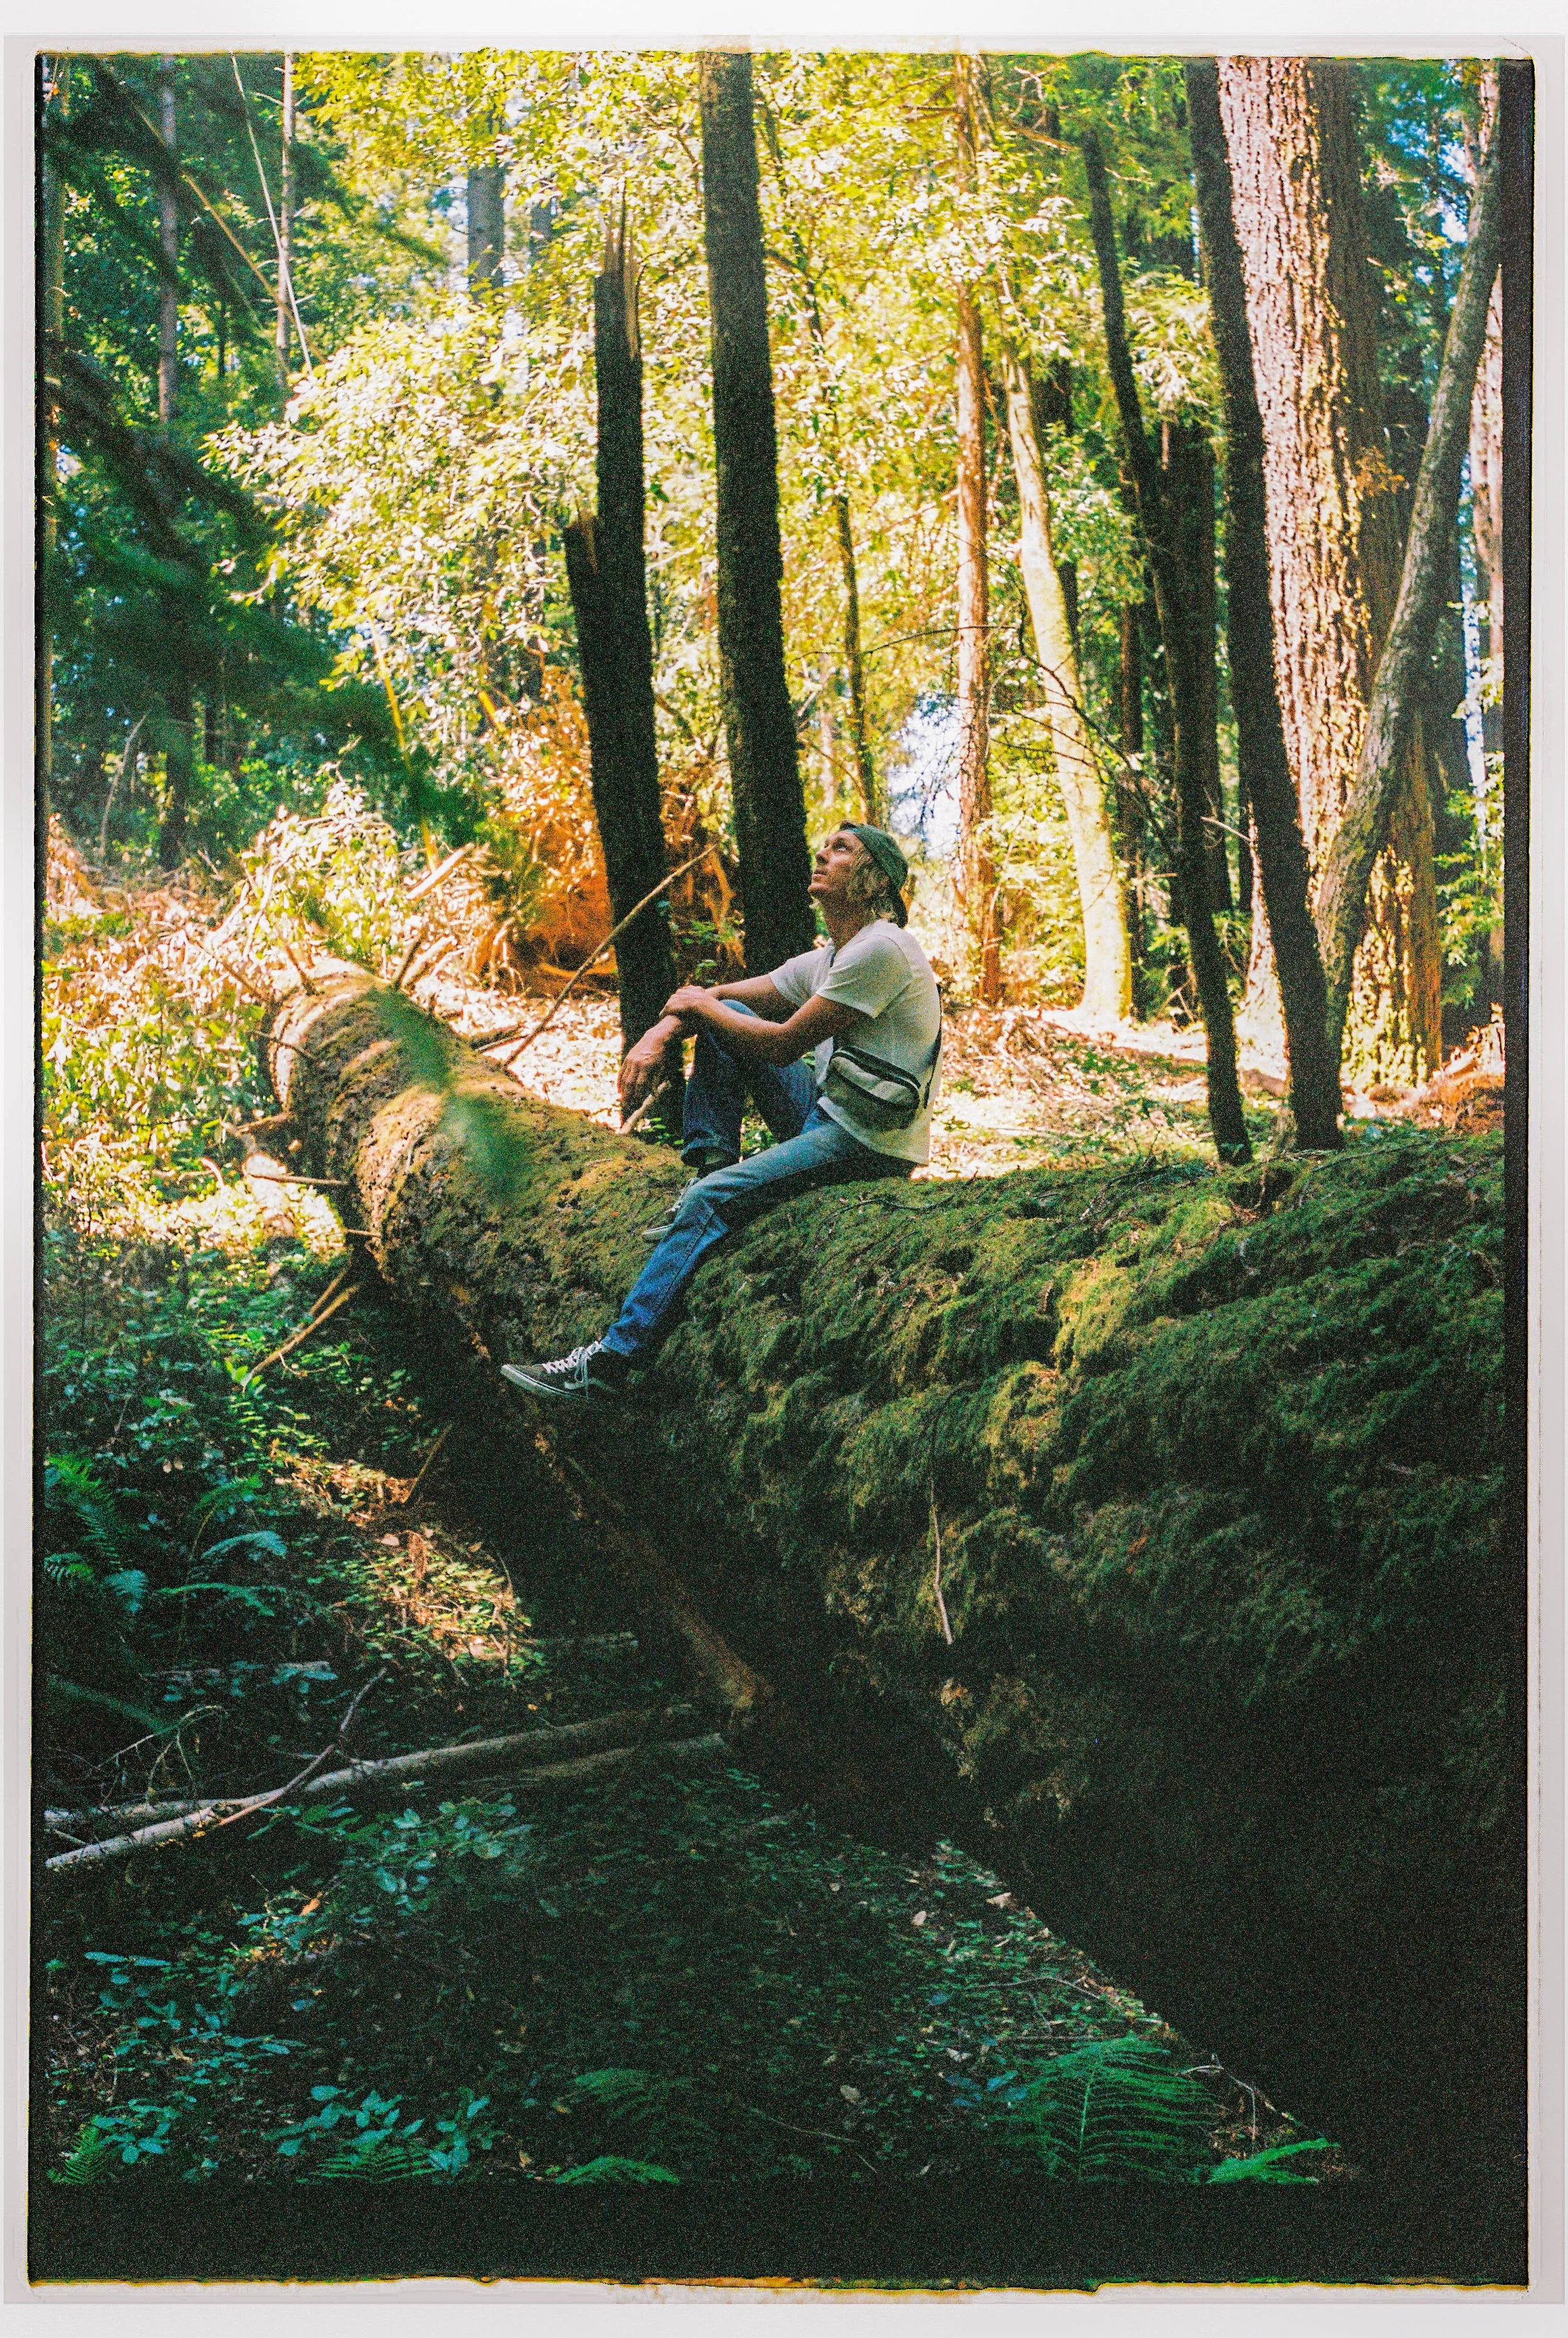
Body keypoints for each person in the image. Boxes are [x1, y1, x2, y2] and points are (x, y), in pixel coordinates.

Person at [502, 824, 941, 1403]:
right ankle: (708, 1169)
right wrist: (660, 1032)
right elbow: (719, 997)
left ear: (874, 880)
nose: (821, 853)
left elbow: (783, 1044)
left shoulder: (881, 949)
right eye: (825, 845)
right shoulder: (833, 955)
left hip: (867, 1142)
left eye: (841, 849)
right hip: (831, 1110)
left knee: (714, 1199)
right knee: (724, 1014)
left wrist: (696, 1009)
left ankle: (611, 1362)